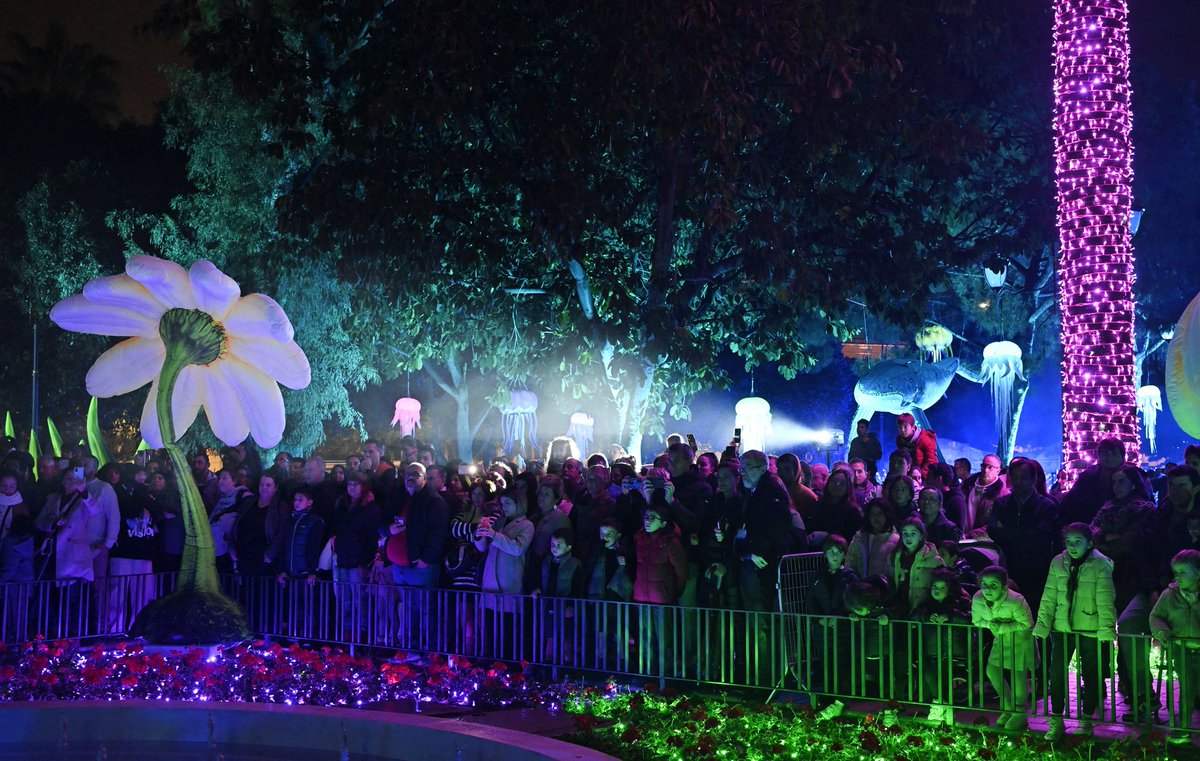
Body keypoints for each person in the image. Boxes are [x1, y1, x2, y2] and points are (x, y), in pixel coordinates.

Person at [1033, 523, 1116, 740]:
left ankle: (1086, 719)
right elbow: (1049, 595)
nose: (1072, 546)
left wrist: (1107, 629)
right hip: (1063, 627)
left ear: (1089, 543)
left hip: (1090, 628)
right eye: (1068, 542)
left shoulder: (1100, 564)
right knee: (1056, 674)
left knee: (1091, 675)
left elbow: (1106, 600)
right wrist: (1043, 624)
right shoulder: (1058, 562)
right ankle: (1057, 719)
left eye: (1077, 542)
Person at [986, 457, 1058, 613]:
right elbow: (992, 529)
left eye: (1023, 477)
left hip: (1037, 573)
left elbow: (1040, 537)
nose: (1018, 482)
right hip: (1008, 568)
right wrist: (1022, 534)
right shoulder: (1002, 504)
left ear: (1033, 479)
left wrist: (1006, 532)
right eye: (1015, 477)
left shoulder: (1046, 506)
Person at [972, 565, 1035, 732]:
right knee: (992, 670)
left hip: (1021, 639)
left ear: (1003, 587)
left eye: (993, 585)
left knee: (1018, 675)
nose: (988, 589)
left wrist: (1001, 627)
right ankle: (1007, 706)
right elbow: (976, 620)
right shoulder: (978, 598)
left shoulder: (1016, 600)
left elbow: (1027, 623)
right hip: (1000, 639)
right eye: (984, 584)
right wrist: (990, 624)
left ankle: (1019, 713)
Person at [1149, 549, 1200, 744]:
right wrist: (1162, 632)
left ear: (1197, 573)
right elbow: (1156, 616)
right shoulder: (1169, 595)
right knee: (1185, 691)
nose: (1177, 576)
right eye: (1176, 572)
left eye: (1183, 572)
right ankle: (1183, 729)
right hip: (1181, 648)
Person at [915, 566, 972, 725]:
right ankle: (943, 708)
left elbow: (969, 618)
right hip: (931, 650)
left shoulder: (960, 602)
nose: (937, 590)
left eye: (942, 588)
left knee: (933, 675)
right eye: (935, 587)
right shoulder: (927, 604)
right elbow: (914, 615)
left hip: (953, 650)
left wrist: (950, 617)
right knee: (929, 676)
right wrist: (926, 616)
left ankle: (939, 703)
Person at [888, 516, 945, 616]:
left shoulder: (935, 560)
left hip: (923, 613)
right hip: (900, 611)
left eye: (913, 533)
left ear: (921, 536)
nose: (908, 537)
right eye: (905, 533)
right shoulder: (896, 556)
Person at [847, 498, 900, 579]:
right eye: (872, 514)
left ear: (887, 515)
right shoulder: (859, 538)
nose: (876, 517)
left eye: (880, 513)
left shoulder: (895, 541)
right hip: (860, 587)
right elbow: (850, 563)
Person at [962, 454, 1008, 535]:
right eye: (983, 466)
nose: (985, 470)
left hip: (982, 540)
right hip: (961, 534)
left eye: (990, 467)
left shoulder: (1002, 493)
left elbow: (997, 522)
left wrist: (971, 535)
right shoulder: (967, 484)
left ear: (998, 471)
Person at [895, 413, 939, 478]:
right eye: (899, 427)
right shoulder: (899, 440)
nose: (902, 430)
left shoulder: (925, 439)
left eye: (905, 426)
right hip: (909, 476)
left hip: (926, 477)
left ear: (913, 427)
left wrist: (919, 476)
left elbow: (931, 461)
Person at [848, 419, 883, 483]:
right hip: (855, 472)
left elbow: (878, 455)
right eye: (858, 427)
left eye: (862, 427)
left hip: (869, 472)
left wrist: (868, 444)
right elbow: (851, 457)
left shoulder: (873, 441)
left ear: (867, 429)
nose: (859, 429)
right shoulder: (854, 442)